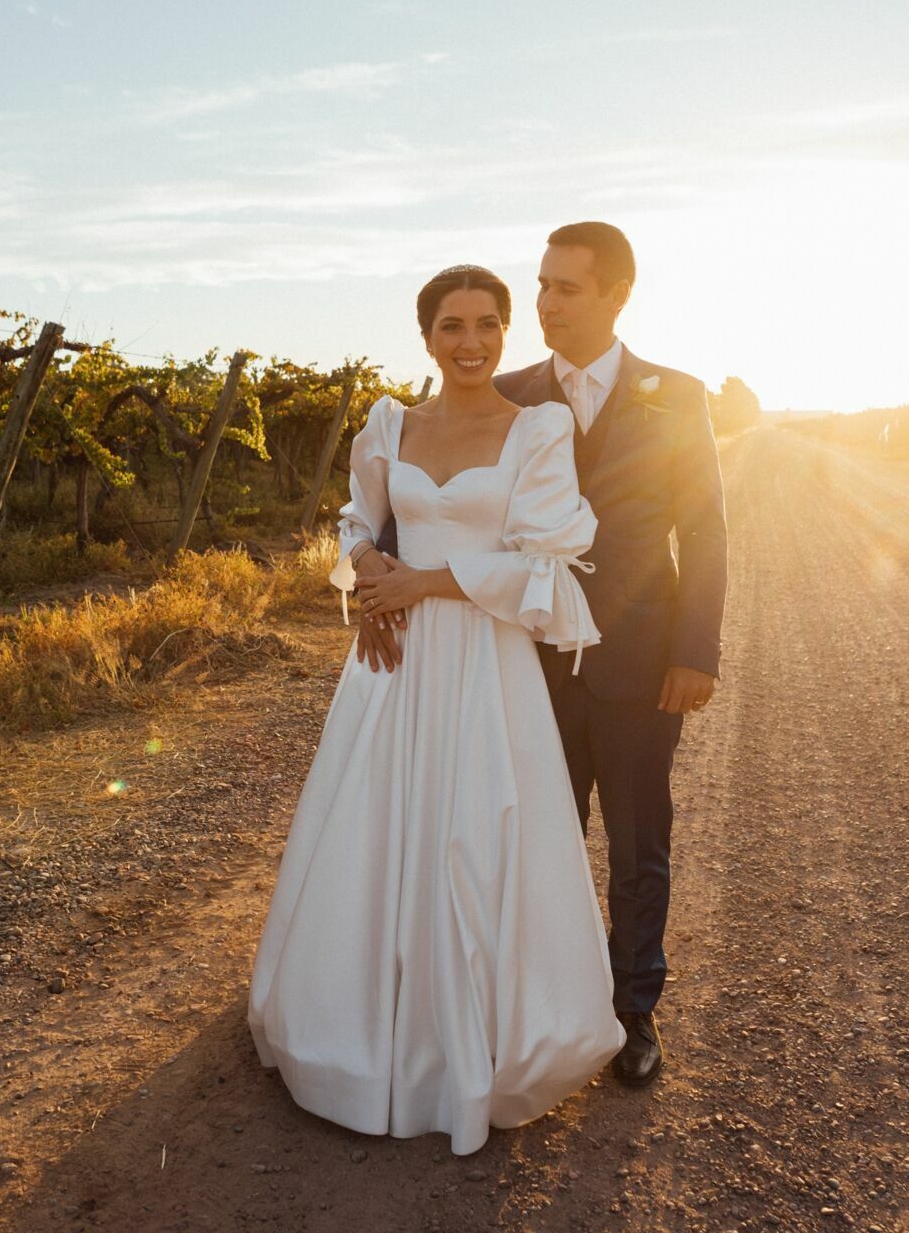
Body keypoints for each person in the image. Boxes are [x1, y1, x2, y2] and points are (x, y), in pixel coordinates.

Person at [247, 264, 625, 1157]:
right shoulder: (390, 425)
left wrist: (422, 581)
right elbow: (355, 523)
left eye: (488, 323)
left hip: (486, 664)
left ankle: (475, 1043)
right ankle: (362, 1032)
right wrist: (371, 572)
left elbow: (543, 565)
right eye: (452, 326)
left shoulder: (537, 430)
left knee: (475, 834)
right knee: (377, 829)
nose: (471, 342)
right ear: (426, 337)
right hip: (395, 658)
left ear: (505, 332)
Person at [360, 222, 728, 1087]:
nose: (546, 304)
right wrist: (378, 569)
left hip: (639, 655)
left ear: (617, 296)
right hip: (517, 655)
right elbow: (421, 490)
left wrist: (696, 650)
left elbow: (705, 529)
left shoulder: (676, 396)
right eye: (541, 285)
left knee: (638, 840)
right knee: (521, 838)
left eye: (566, 288)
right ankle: (524, 1003)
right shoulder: (509, 391)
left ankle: (633, 1011)